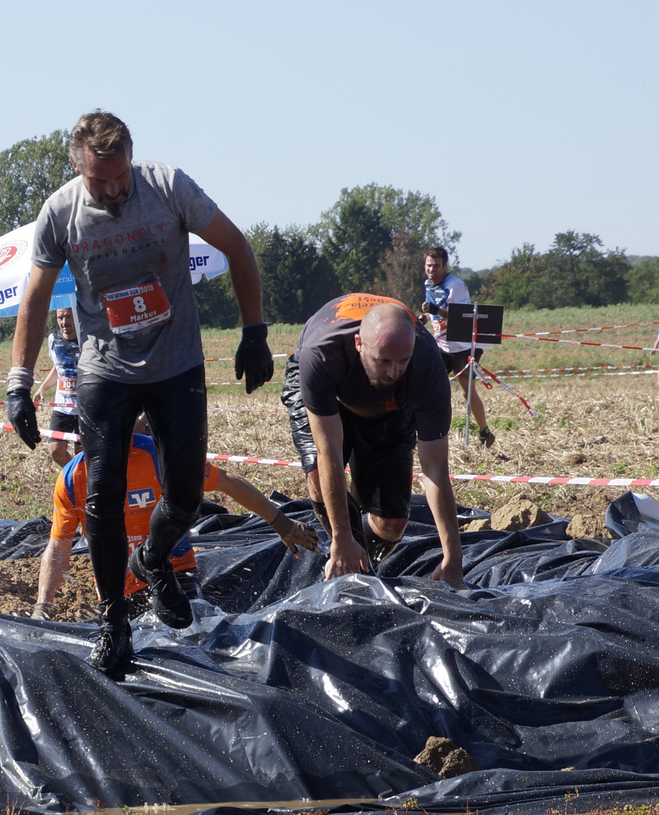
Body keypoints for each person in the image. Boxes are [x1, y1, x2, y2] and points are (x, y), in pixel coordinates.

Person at [5, 111, 272, 676]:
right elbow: (34, 298)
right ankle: (113, 621)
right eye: (100, 181)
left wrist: (254, 331)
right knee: (101, 497)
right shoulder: (60, 212)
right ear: (79, 169)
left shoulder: (167, 186)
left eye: (120, 176)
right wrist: (19, 382)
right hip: (106, 368)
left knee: (184, 495)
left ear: (132, 158)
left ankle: (153, 558)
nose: (114, 189)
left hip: (176, 362)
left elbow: (236, 245)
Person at [35, 423, 318, 620]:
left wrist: (282, 524)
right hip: (115, 586)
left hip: (175, 570)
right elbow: (59, 546)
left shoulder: (158, 457)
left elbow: (227, 482)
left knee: (187, 632)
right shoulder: (72, 479)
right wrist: (42, 606)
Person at [281, 294, 465, 588]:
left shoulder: (427, 369)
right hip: (332, 390)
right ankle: (350, 570)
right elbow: (328, 451)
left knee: (391, 524)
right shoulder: (321, 355)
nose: (394, 372)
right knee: (318, 473)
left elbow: (435, 470)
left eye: (403, 361)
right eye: (384, 361)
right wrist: (342, 538)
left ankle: (362, 560)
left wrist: (453, 560)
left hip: (387, 404)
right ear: (359, 344)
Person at [420, 246, 494, 447]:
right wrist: (425, 316)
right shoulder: (428, 284)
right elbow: (432, 312)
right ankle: (428, 430)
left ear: (445, 266)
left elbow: (464, 315)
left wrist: (436, 310)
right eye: (429, 265)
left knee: (467, 391)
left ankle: (484, 432)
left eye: (436, 266)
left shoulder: (456, 285)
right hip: (441, 346)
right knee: (428, 387)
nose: (432, 269)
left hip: (463, 346)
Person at [34, 308, 82, 466]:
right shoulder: (53, 339)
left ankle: (83, 483)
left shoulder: (86, 338)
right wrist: (42, 388)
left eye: (69, 317)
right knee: (55, 450)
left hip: (86, 407)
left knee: (82, 454)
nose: (64, 322)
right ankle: (75, 476)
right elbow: (57, 368)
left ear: (76, 317)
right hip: (62, 407)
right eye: (60, 317)